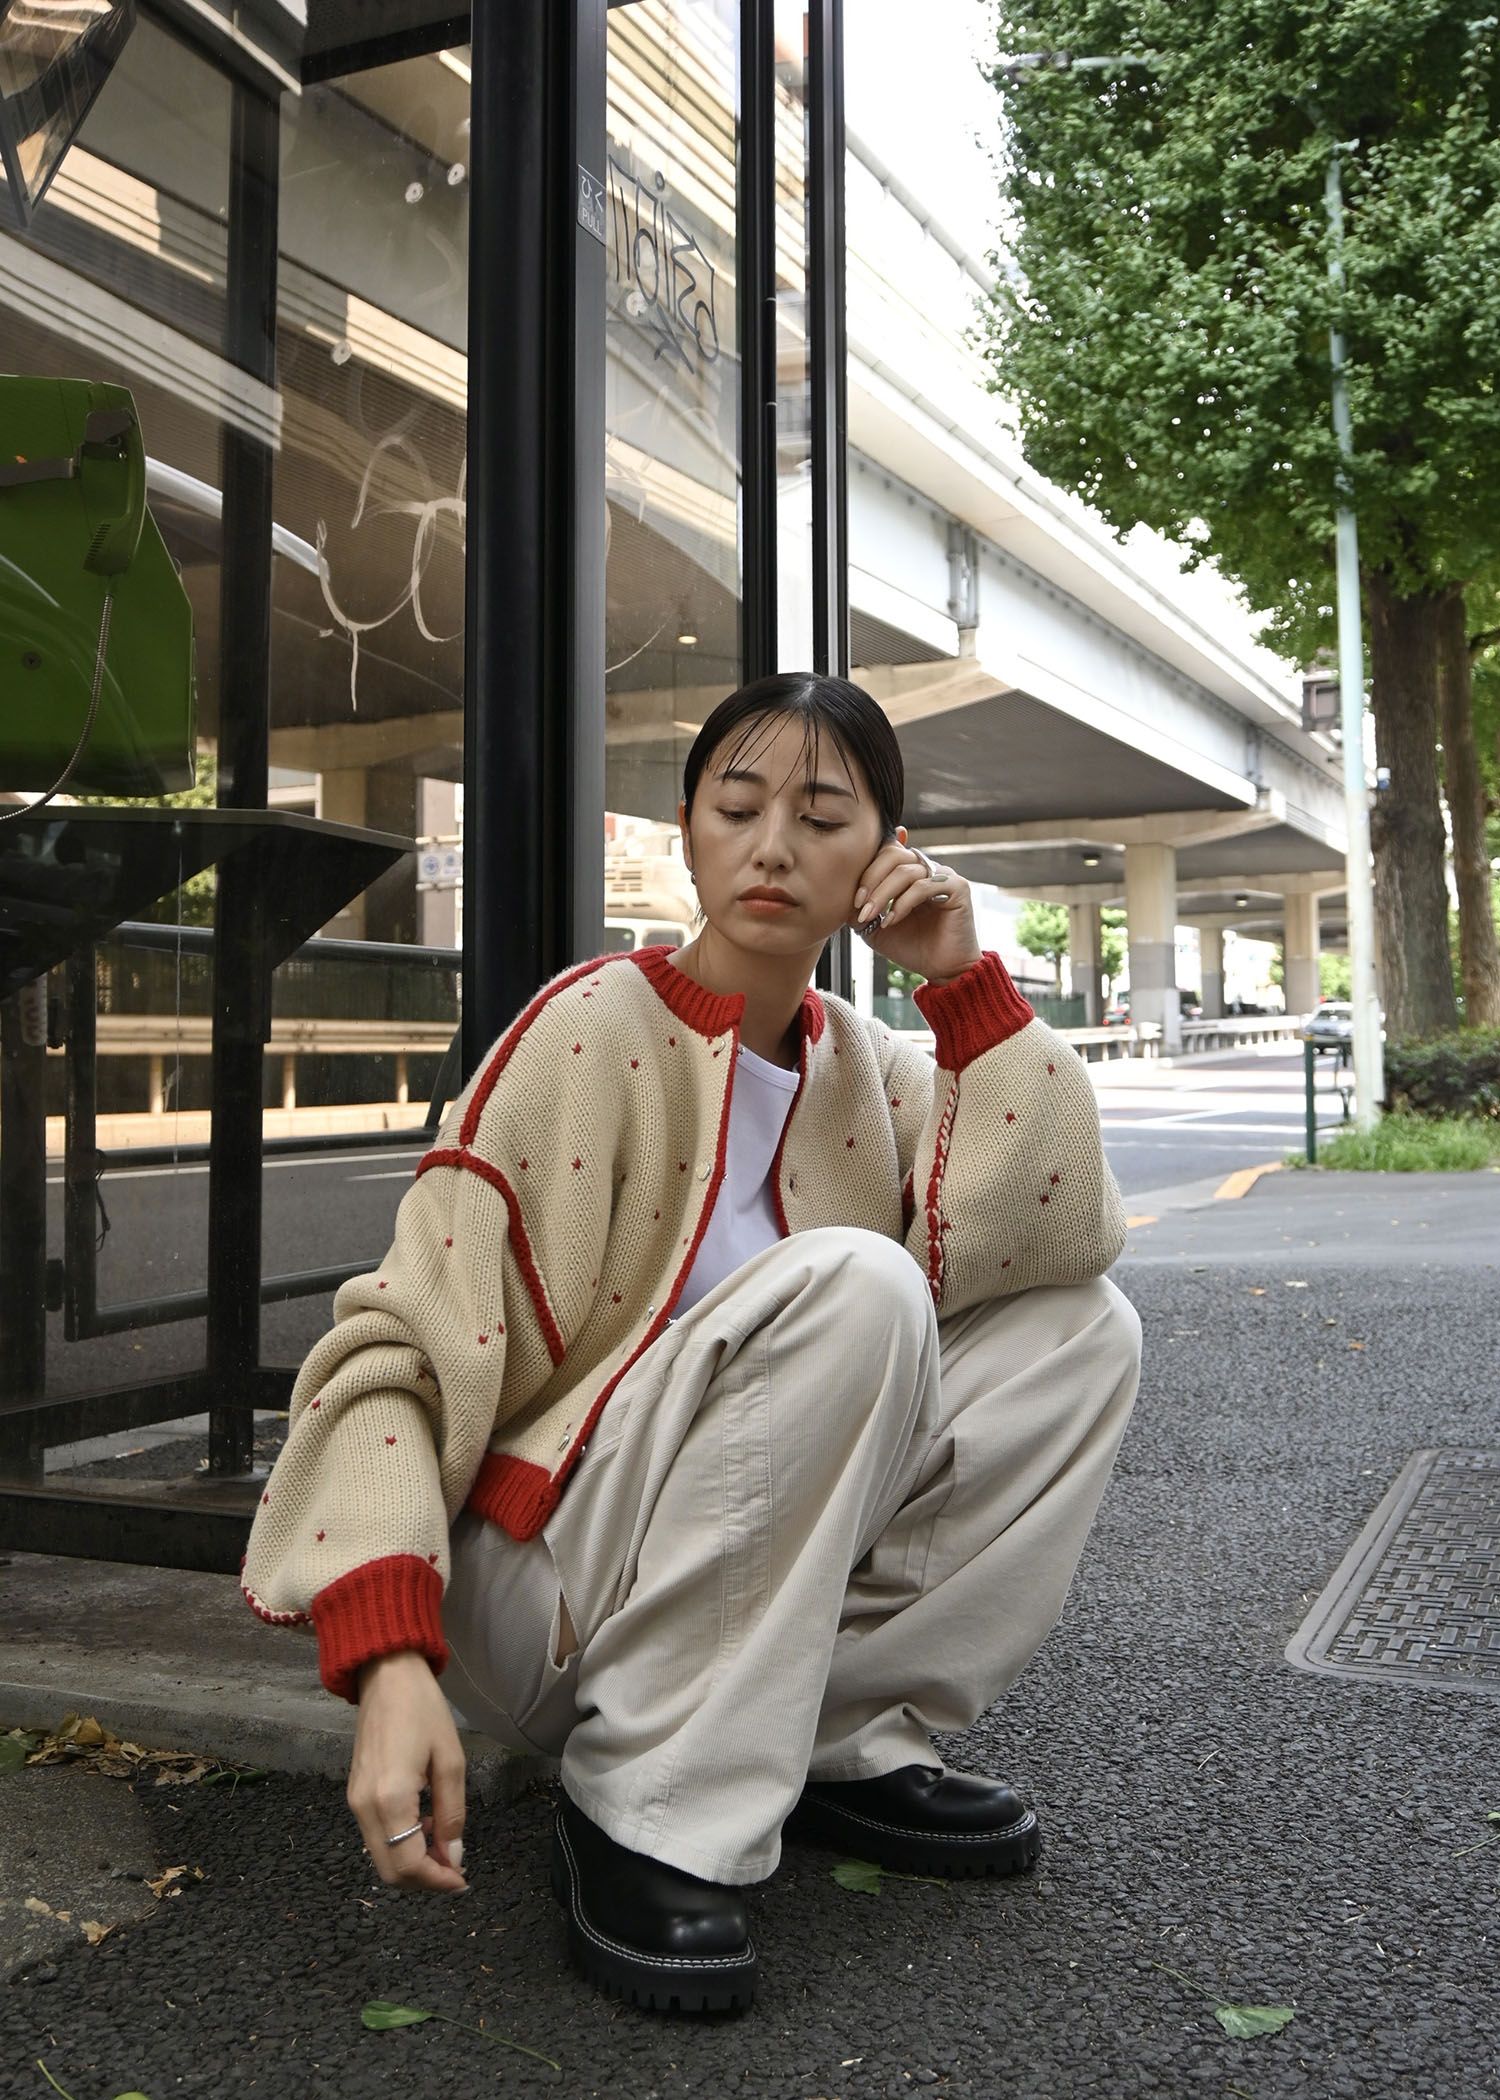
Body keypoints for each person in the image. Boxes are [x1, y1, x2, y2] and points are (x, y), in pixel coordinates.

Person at [240, 672, 1142, 2015]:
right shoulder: (588, 1032)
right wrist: (390, 1657)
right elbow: (402, 1348)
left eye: (822, 818)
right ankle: (646, 1806)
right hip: (543, 1578)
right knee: (861, 1282)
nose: (774, 847)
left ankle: (837, 1736)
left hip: (724, 1583)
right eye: (738, 808)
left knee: (1084, 1333)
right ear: (688, 833)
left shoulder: (868, 1069)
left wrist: (961, 984)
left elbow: (1059, 1237)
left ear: (884, 858)